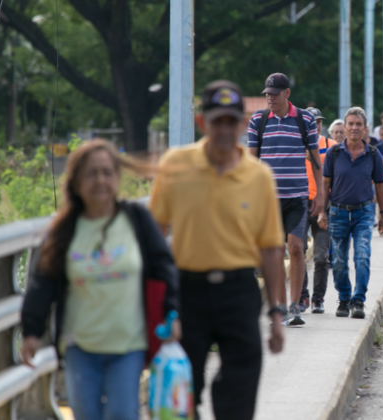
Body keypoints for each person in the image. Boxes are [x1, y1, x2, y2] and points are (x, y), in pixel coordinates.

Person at [150, 80, 285, 420]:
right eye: (217, 121)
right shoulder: (176, 165)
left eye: (231, 121)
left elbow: (270, 249)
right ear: (202, 123)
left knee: (239, 393)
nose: (224, 129)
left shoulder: (258, 177)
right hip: (186, 293)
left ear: (242, 124)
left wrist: (277, 314)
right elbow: (155, 235)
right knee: (182, 392)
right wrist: (156, 304)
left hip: (238, 292)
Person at [20, 140, 180, 420]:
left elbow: (164, 266)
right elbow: (42, 281)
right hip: (80, 345)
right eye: (91, 174)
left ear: (117, 179)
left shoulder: (136, 220)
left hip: (129, 345)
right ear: (76, 182)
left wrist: (172, 312)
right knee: (87, 415)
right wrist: (31, 331)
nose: (100, 181)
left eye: (107, 173)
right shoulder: (64, 231)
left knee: (121, 413)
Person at [247, 73, 325, 326]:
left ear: (287, 94)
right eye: (267, 94)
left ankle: (295, 307)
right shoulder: (257, 120)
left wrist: (320, 195)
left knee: (296, 247)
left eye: (275, 93)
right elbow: (250, 163)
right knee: (275, 252)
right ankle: (279, 305)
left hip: (297, 196)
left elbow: (316, 160)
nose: (270, 98)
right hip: (267, 200)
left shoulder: (305, 120)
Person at [318, 107, 383, 319]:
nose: (354, 128)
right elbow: (325, 183)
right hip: (338, 212)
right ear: (345, 127)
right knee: (338, 261)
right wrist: (322, 211)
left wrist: (382, 214)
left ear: (365, 128)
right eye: (351, 124)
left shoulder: (373, 154)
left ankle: (358, 300)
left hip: (364, 212)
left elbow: (381, 185)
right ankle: (344, 298)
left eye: (359, 124)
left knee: (362, 256)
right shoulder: (334, 152)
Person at [299, 107, 336, 314]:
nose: (316, 125)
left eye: (318, 122)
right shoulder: (296, 144)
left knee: (322, 256)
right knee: (299, 251)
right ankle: (302, 296)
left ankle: (318, 298)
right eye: (312, 121)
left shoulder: (330, 146)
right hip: (300, 204)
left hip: (324, 205)